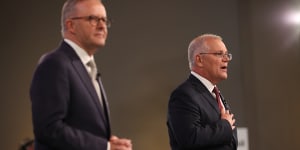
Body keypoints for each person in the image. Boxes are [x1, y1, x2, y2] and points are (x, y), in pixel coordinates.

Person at [30, 0, 132, 150]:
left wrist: (109, 143)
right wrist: (104, 147)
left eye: (104, 20)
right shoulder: (54, 64)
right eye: (93, 19)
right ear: (71, 25)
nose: (102, 26)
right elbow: (49, 129)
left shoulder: (86, 66)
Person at [167, 34, 238, 150]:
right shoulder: (183, 95)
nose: (226, 59)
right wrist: (225, 126)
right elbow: (190, 138)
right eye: (219, 54)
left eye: (227, 55)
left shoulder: (215, 93)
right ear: (199, 60)